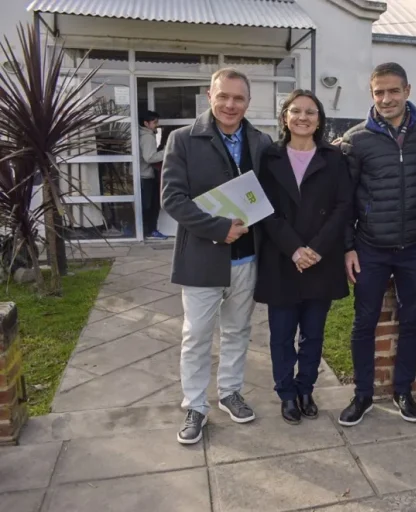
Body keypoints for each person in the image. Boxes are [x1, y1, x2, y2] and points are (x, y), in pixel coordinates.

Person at [162, 68, 272, 445]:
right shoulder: (182, 140)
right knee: (196, 336)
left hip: (247, 259)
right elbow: (172, 199)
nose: (230, 104)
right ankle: (195, 405)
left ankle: (229, 393)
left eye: (238, 98)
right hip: (202, 258)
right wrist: (217, 228)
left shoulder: (261, 141)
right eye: (223, 96)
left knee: (238, 331)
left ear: (247, 102)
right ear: (209, 96)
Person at [337, 62, 416, 426]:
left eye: (393, 91)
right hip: (371, 248)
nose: (386, 98)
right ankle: (363, 394)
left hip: (415, 246)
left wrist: (414, 196)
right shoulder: (356, 139)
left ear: (407, 91)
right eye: (379, 92)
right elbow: (345, 199)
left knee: (412, 320)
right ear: (372, 94)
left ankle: (403, 390)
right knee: (364, 322)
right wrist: (348, 246)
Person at [255, 89, 352, 425]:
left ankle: (306, 387)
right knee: (282, 335)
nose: (303, 117)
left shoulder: (335, 158)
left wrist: (315, 249)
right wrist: (295, 249)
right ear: (285, 117)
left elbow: (343, 207)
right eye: (295, 111)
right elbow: (264, 209)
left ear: (319, 119)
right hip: (282, 259)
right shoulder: (269, 157)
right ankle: (286, 393)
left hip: (320, 260)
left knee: (313, 333)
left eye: (310, 112)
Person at [139, 110, 168, 240]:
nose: (157, 124)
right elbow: (150, 157)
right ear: (146, 123)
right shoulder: (147, 137)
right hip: (146, 175)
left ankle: (147, 230)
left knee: (148, 204)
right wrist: (166, 151)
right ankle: (150, 231)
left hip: (143, 174)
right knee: (150, 205)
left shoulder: (142, 134)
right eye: (154, 122)